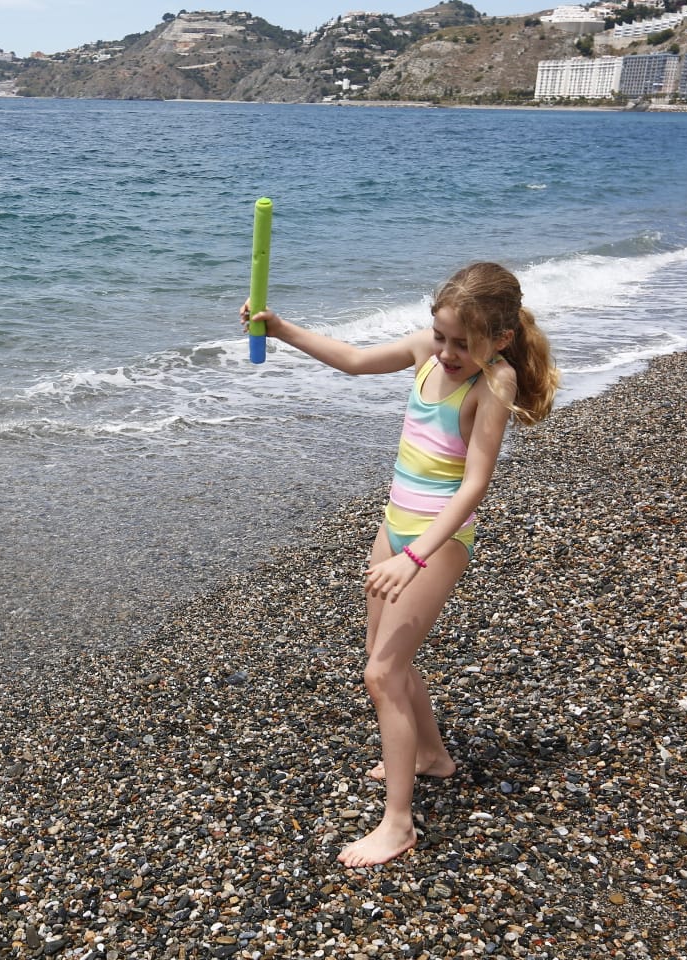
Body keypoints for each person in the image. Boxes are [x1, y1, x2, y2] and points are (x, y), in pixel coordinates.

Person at [242, 262, 560, 868]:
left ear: (501, 340)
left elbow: (473, 488)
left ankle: (398, 824)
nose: (445, 352)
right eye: (440, 336)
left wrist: (415, 557)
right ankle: (432, 756)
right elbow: (357, 360)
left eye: (462, 344)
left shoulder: (494, 384)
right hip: (395, 531)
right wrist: (281, 328)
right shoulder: (428, 353)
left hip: (436, 545)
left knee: (382, 675)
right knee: (388, 664)